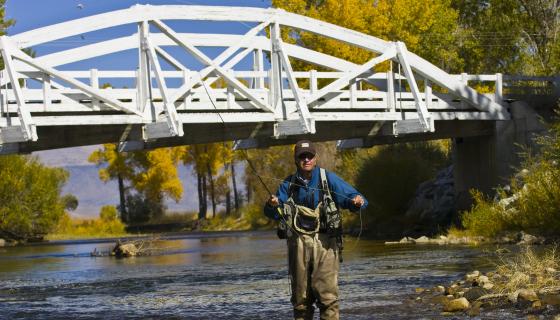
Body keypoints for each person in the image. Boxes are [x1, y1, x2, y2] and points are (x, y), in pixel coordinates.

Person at [264, 140, 368, 320]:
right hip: (298, 245)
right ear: (296, 160)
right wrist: (272, 204)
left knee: (328, 298)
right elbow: (271, 212)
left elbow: (357, 199)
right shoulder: (288, 184)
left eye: (309, 156)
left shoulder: (328, 179)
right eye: (302, 156)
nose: (306, 160)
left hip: (326, 244)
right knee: (301, 300)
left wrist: (356, 202)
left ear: (315, 158)